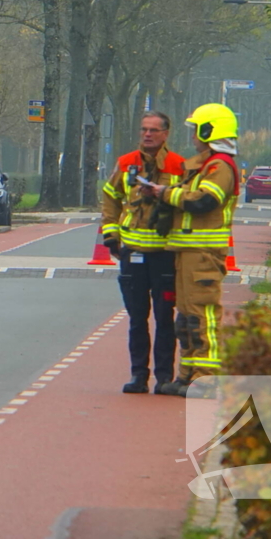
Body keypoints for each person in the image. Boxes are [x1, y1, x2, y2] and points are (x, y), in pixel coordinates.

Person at [142, 103, 239, 398]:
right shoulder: (206, 164)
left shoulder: (220, 166)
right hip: (188, 251)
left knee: (203, 315)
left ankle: (207, 379)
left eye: (197, 129)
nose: (194, 136)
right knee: (185, 317)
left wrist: (166, 193)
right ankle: (187, 374)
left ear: (210, 130)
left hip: (203, 253)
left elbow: (204, 202)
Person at [101, 111, 185, 395]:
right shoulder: (126, 164)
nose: (147, 134)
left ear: (165, 134)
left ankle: (164, 378)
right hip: (133, 253)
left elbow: (186, 202)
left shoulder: (178, 166)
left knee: (164, 318)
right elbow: (111, 197)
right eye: (143, 130)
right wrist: (111, 235)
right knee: (137, 318)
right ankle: (139, 376)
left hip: (165, 254)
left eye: (153, 130)